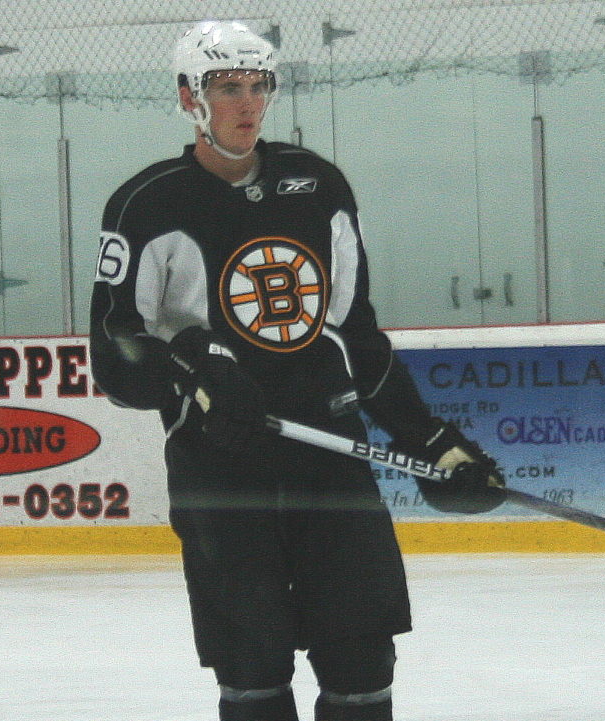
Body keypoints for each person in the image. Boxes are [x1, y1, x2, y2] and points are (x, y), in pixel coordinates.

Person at [89, 20, 506, 721]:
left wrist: (431, 440)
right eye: (227, 87)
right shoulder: (148, 204)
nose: (247, 103)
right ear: (190, 96)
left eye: (259, 85)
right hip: (221, 471)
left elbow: (357, 337)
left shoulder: (318, 187)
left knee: (362, 663)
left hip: (330, 462)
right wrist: (186, 369)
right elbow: (114, 349)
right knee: (252, 674)